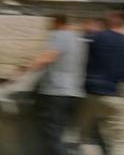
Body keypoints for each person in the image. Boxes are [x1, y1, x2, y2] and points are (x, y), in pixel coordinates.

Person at [19, 14, 87, 155]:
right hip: (73, 93)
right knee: (58, 134)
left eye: (51, 24)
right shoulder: (79, 39)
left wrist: (24, 69)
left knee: (51, 136)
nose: (49, 28)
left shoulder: (61, 35)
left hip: (55, 92)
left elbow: (48, 57)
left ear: (58, 23)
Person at [79, 10, 124, 155]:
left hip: (91, 93)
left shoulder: (97, 37)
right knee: (118, 141)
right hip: (116, 95)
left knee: (87, 137)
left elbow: (82, 39)